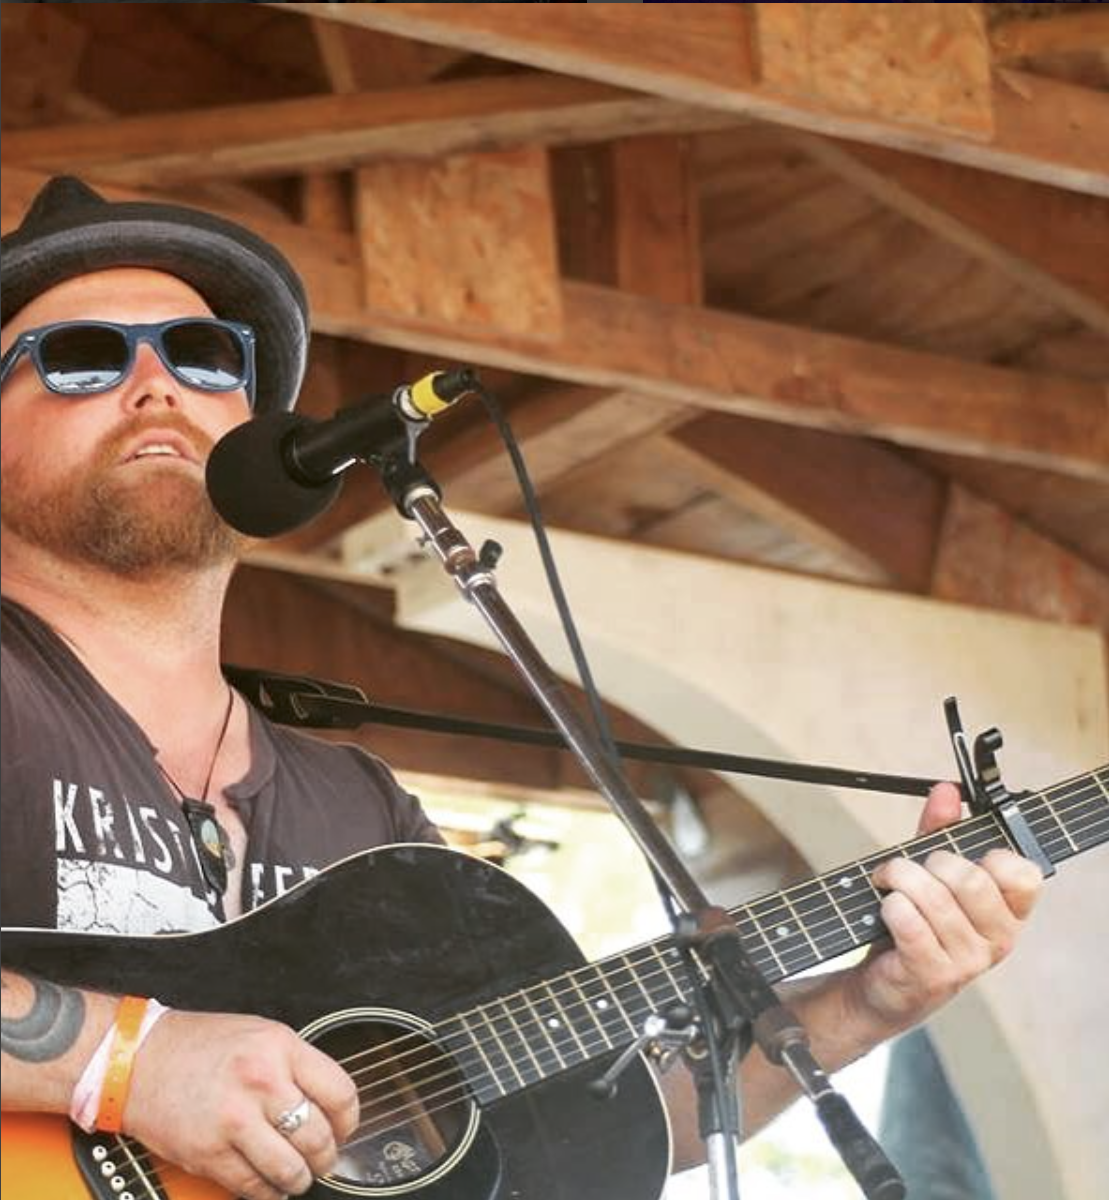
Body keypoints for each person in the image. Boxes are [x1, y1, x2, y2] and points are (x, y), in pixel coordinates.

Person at [0, 177, 1043, 1200]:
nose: (155, 384)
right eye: (81, 358)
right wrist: (127, 1062)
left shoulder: (364, 817)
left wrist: (867, 1000)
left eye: (201, 353)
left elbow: (592, 1114)